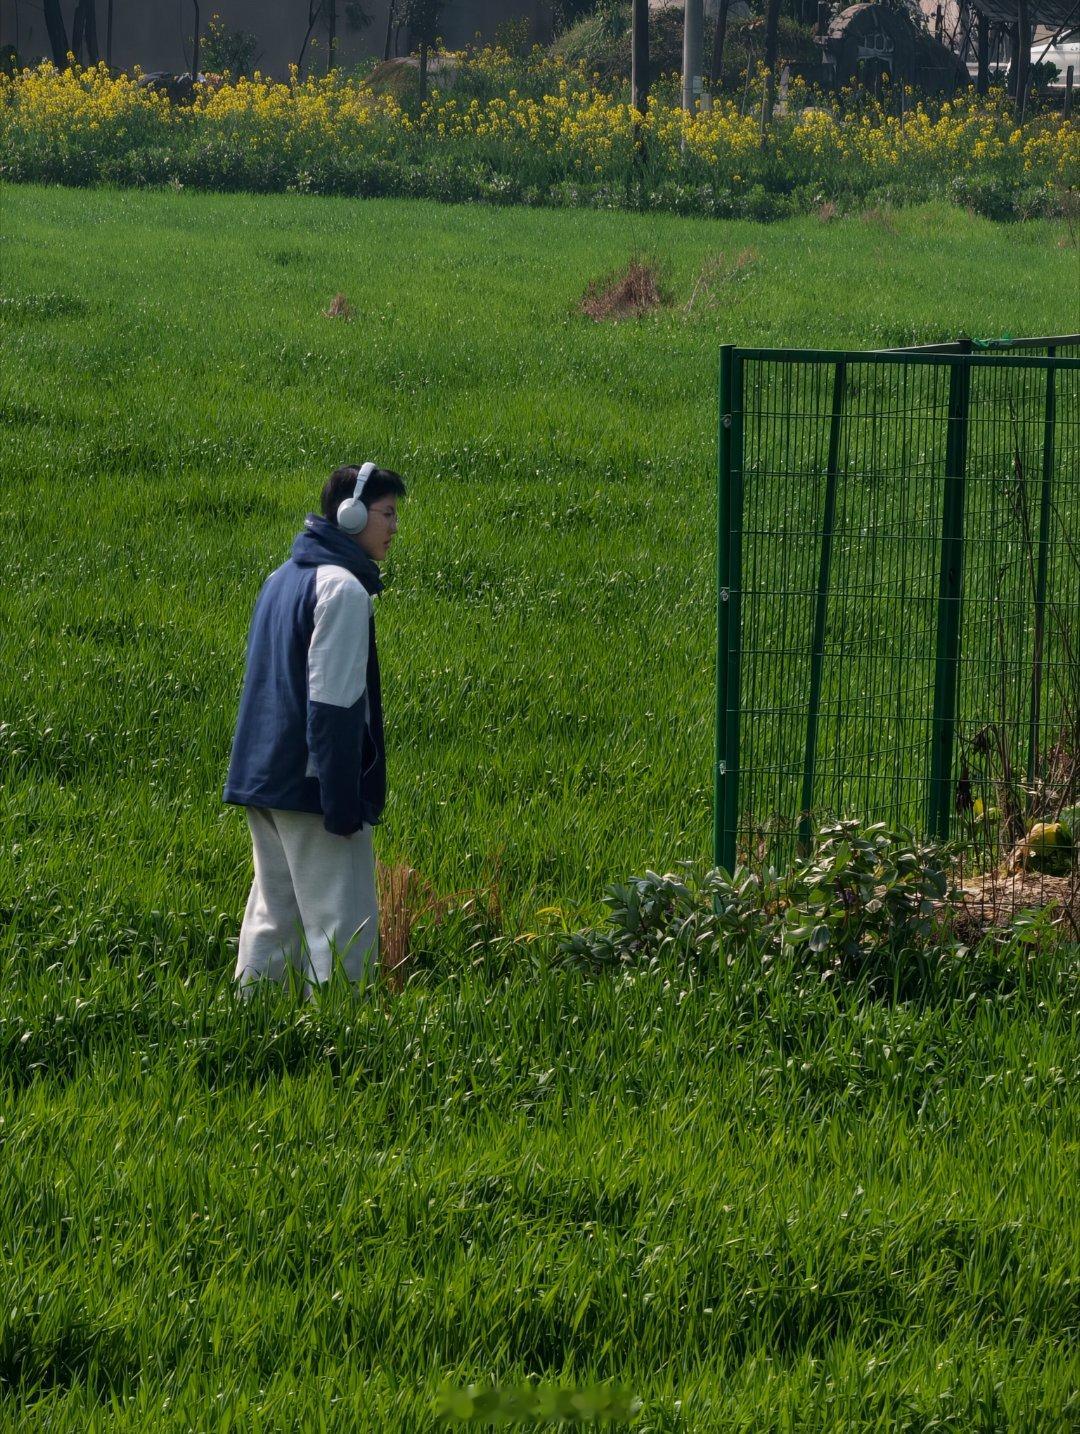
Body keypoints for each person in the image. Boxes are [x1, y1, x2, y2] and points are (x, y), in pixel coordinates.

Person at [224, 463, 405, 991]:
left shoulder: (283, 577)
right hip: (312, 785)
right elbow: (334, 708)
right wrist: (342, 801)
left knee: (272, 913)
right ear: (350, 516)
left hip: (262, 777)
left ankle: (253, 1021)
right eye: (387, 513)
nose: (395, 528)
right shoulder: (343, 591)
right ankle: (343, 1039)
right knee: (342, 923)